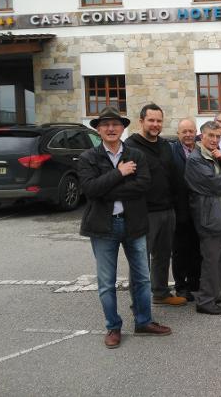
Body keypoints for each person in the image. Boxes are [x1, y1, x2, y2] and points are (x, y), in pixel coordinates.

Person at [79, 106, 171, 349]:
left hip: (134, 224)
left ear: (122, 128)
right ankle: (113, 327)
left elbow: (143, 186)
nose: (111, 128)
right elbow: (89, 190)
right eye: (106, 125)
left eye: (116, 124)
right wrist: (119, 173)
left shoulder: (135, 155)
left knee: (142, 278)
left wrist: (105, 188)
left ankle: (144, 321)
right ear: (98, 129)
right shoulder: (89, 157)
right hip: (102, 227)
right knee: (107, 282)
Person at [125, 104, 185, 306]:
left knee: (162, 256)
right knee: (140, 261)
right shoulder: (130, 147)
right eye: (151, 120)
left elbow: (173, 177)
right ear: (141, 121)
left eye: (159, 121)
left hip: (167, 210)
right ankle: (139, 305)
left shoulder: (165, 145)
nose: (155, 124)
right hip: (144, 213)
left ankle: (160, 293)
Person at [184, 121, 221, 314]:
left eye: (217, 136)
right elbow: (214, 184)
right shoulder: (196, 160)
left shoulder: (216, 156)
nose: (214, 140)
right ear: (202, 136)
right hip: (210, 218)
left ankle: (214, 293)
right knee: (211, 261)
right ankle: (205, 301)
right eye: (211, 135)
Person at [170, 118, 202, 301]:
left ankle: (195, 282)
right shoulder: (171, 152)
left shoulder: (199, 150)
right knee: (180, 251)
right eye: (184, 132)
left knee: (196, 249)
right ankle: (181, 286)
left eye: (191, 131)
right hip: (180, 210)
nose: (188, 135)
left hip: (198, 210)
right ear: (178, 134)